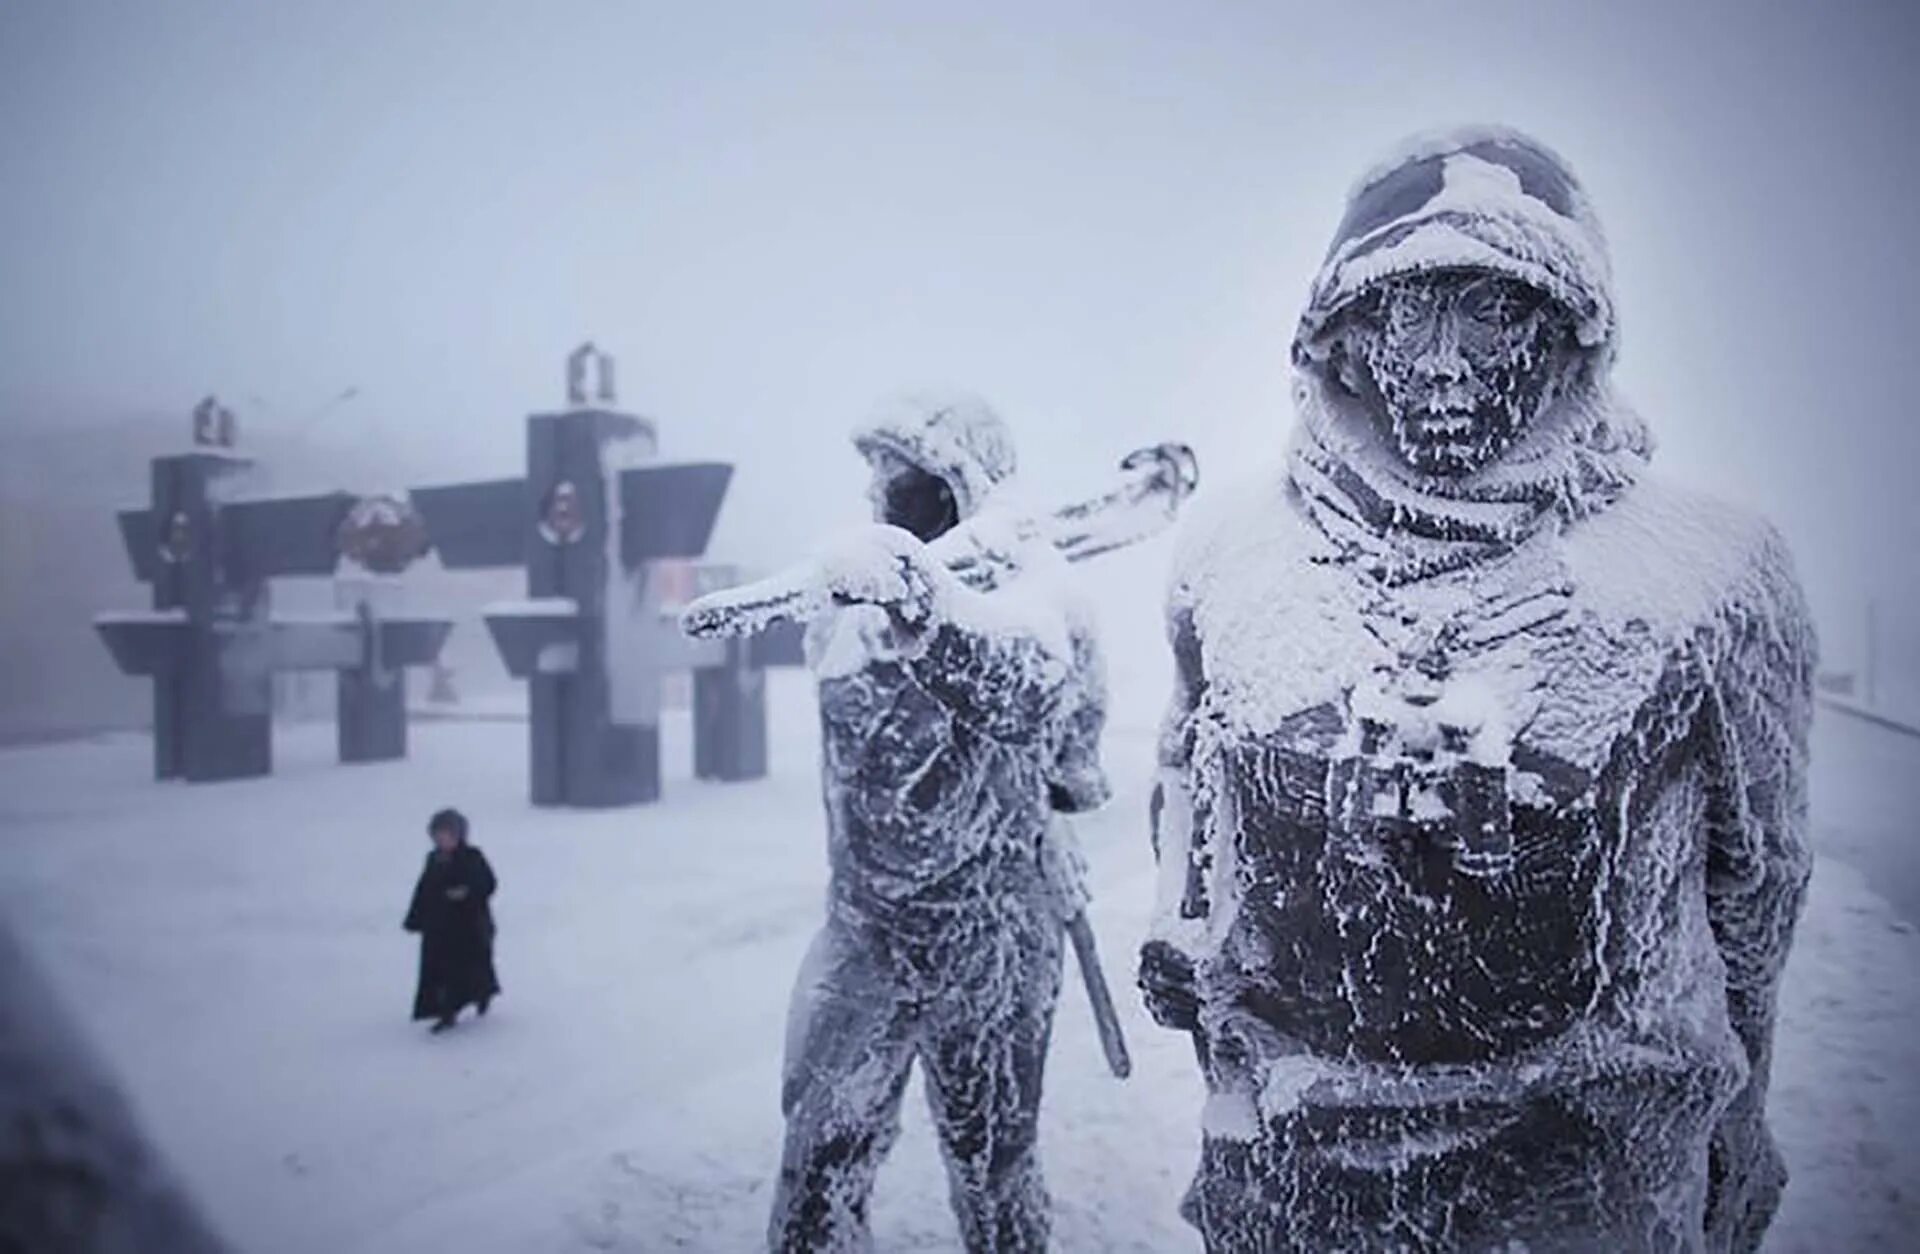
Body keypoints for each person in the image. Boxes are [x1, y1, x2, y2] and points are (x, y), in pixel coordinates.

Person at [1138, 126, 1814, 1251]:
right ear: (1346, 338)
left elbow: (1759, 889)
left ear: (1564, 330)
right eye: (1406, 312)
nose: (1443, 361)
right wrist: (1182, 931)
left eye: (1491, 311)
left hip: (1591, 1181)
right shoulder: (1230, 551)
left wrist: (1733, 1122)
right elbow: (1186, 784)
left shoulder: (1714, 570)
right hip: (1293, 1177)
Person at [767, 392, 1110, 1252]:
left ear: (965, 480)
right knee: (816, 1168)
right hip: (864, 933)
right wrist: (896, 608)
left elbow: (1053, 729)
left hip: (993, 941)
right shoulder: (841, 613)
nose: (892, 492)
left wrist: (1052, 816)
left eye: (913, 476)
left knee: (995, 1176)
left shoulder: (1044, 598)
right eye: (883, 477)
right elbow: (872, 741)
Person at [403, 808, 500, 1034]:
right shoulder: (433, 860)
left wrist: (466, 893)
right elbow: (424, 889)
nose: (442, 840)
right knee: (440, 972)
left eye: (447, 835)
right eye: (438, 835)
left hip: (470, 927)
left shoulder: (472, 856)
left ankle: (481, 995)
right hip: (439, 928)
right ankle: (446, 1012)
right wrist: (415, 917)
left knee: (471, 968)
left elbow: (488, 883)